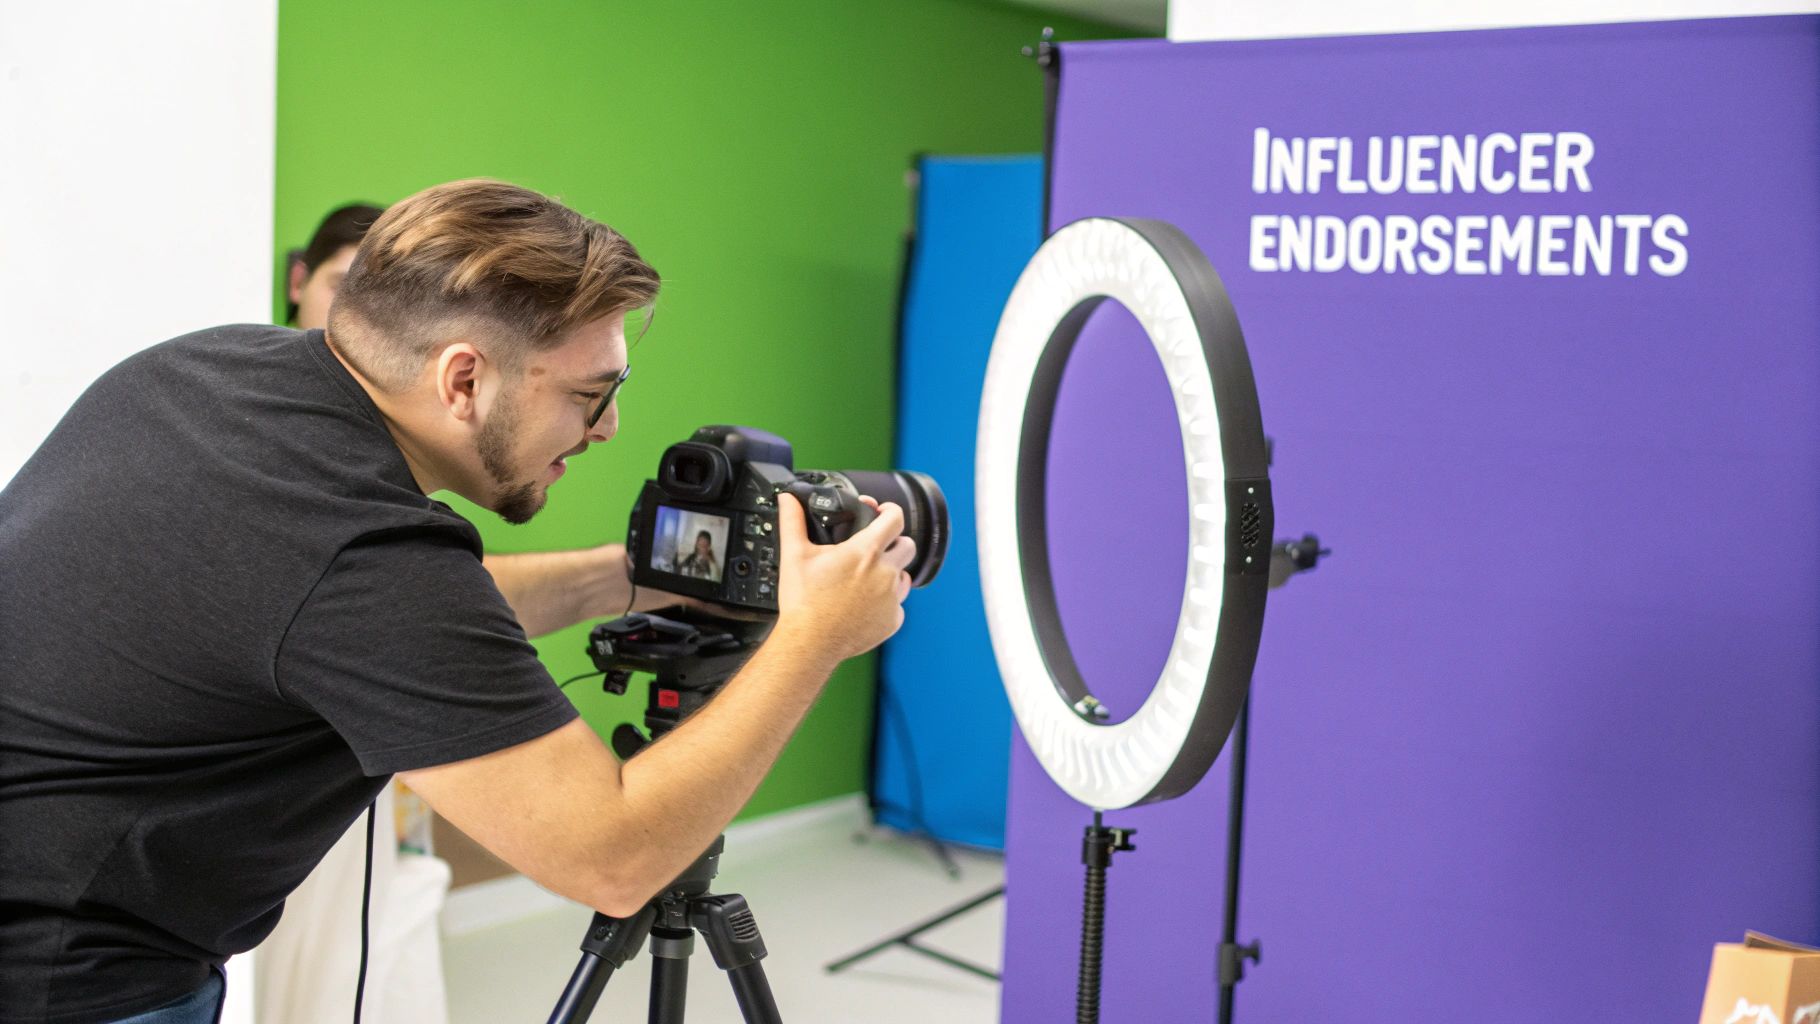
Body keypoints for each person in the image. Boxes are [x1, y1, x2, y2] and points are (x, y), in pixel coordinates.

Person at [0, 178, 916, 1023]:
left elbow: (376, 624)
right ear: (464, 380)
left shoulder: (208, 370)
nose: (608, 428)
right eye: (591, 396)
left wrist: (628, 575)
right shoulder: (368, 553)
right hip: (69, 984)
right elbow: (616, 857)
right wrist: (815, 637)